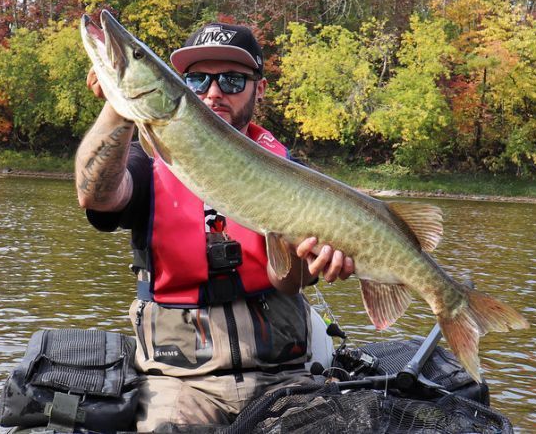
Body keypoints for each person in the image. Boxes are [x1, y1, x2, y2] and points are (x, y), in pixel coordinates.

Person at [75, 22, 354, 431]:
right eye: (197, 79)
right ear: (181, 85)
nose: (213, 91)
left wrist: (326, 264)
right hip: (180, 384)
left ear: (259, 88)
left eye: (232, 79)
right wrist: (120, 104)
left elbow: (290, 281)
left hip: (283, 379)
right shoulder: (145, 163)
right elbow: (95, 196)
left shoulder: (290, 176)